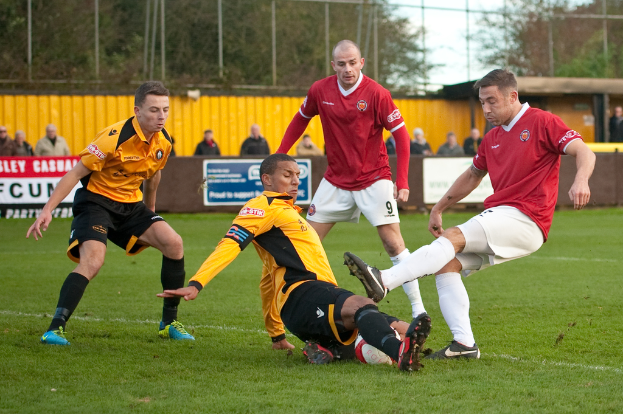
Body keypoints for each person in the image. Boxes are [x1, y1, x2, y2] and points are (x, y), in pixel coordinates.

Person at [344, 69, 595, 360]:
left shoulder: (541, 121)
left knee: (454, 237)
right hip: (506, 218)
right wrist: (439, 207)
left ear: (513, 96)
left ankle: (384, 280)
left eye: (492, 101)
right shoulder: (492, 138)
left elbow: (584, 152)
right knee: (447, 265)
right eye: (482, 102)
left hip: (526, 218)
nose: (486, 109)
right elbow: (473, 174)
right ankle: (464, 344)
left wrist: (581, 180)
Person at [158, 154, 432, 372]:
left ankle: (333, 350)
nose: (295, 180)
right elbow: (230, 243)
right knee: (362, 305)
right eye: (287, 175)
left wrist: (277, 336)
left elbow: (268, 280)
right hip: (302, 294)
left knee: (393, 325)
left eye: (298, 175)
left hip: (307, 304)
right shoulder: (262, 206)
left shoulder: (290, 214)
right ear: (266, 178)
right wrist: (197, 283)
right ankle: (400, 355)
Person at [26, 81, 194, 345]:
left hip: (131, 206)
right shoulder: (113, 137)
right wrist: (47, 210)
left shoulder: (164, 141)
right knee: (93, 261)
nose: (161, 116)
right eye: (153, 110)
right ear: (137, 111)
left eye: (165, 109)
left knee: (174, 243)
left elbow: (153, 175)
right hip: (96, 203)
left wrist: (150, 213)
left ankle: (169, 324)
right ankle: (54, 329)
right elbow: (75, 173)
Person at [276, 40, 427, 320]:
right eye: (341, 64)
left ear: (362, 62)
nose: (347, 69)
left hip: (374, 178)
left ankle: (419, 309)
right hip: (335, 180)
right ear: (333, 65)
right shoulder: (320, 90)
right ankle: (312, 305)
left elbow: (402, 136)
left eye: (352, 62)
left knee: (394, 244)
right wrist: (280, 155)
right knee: (305, 242)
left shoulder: (378, 94)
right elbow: (300, 119)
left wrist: (402, 181)